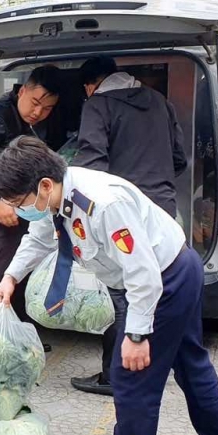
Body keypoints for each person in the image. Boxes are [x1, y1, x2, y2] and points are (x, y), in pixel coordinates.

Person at [0, 136, 218, 435]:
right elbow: (39, 238)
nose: (20, 211)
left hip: (164, 279)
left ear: (44, 185)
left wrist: (138, 335)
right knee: (189, 361)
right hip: (172, 270)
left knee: (130, 374)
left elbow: (143, 274)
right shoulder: (58, 198)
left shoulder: (103, 204)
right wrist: (11, 277)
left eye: (20, 203)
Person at [70, 56, 189, 397]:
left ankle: (118, 374)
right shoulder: (160, 102)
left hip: (119, 214)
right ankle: (150, 364)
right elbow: (179, 158)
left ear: (90, 85)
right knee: (154, 290)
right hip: (162, 211)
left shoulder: (98, 105)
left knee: (125, 295)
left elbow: (90, 166)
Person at [0, 65, 64, 317]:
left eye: (47, 108)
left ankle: (14, 337)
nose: (38, 112)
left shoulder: (33, 122)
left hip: (25, 206)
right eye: (35, 102)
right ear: (23, 90)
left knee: (21, 271)